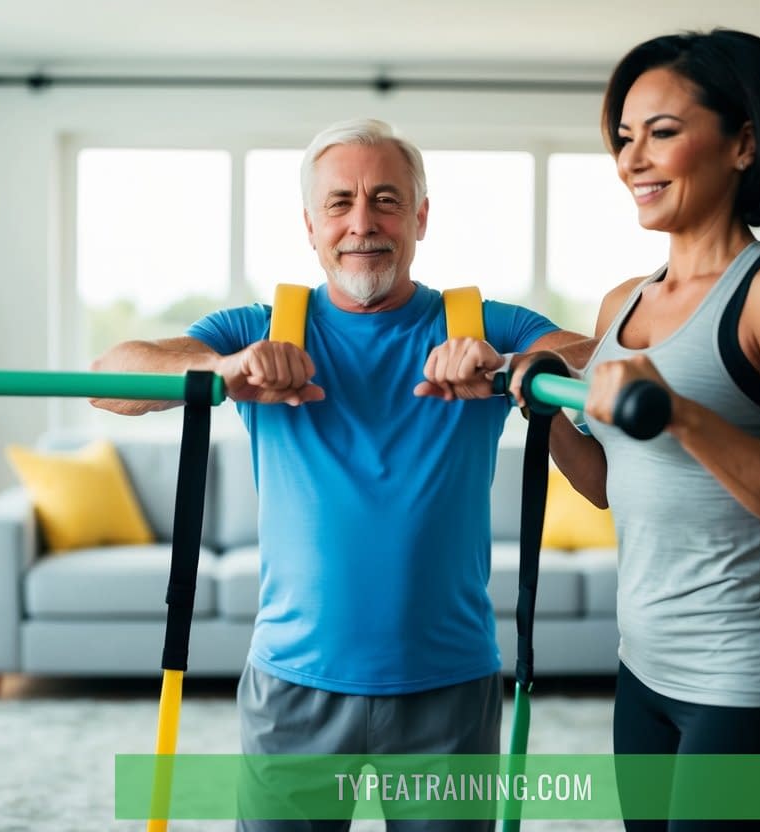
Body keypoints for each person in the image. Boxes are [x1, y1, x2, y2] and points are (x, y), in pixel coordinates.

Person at [91, 117, 588, 831]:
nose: (363, 223)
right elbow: (109, 378)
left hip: (448, 687)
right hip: (293, 684)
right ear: (309, 225)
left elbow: (601, 355)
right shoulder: (263, 328)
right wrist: (223, 369)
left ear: (419, 217)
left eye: (386, 200)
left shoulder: (476, 323)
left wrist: (509, 366)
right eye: (339, 203)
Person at [508, 29, 760, 831]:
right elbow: (606, 486)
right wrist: (544, 412)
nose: (631, 159)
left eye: (660, 132)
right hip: (643, 672)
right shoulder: (622, 300)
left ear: (743, 143)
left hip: (750, 687)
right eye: (623, 139)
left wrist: (680, 412)